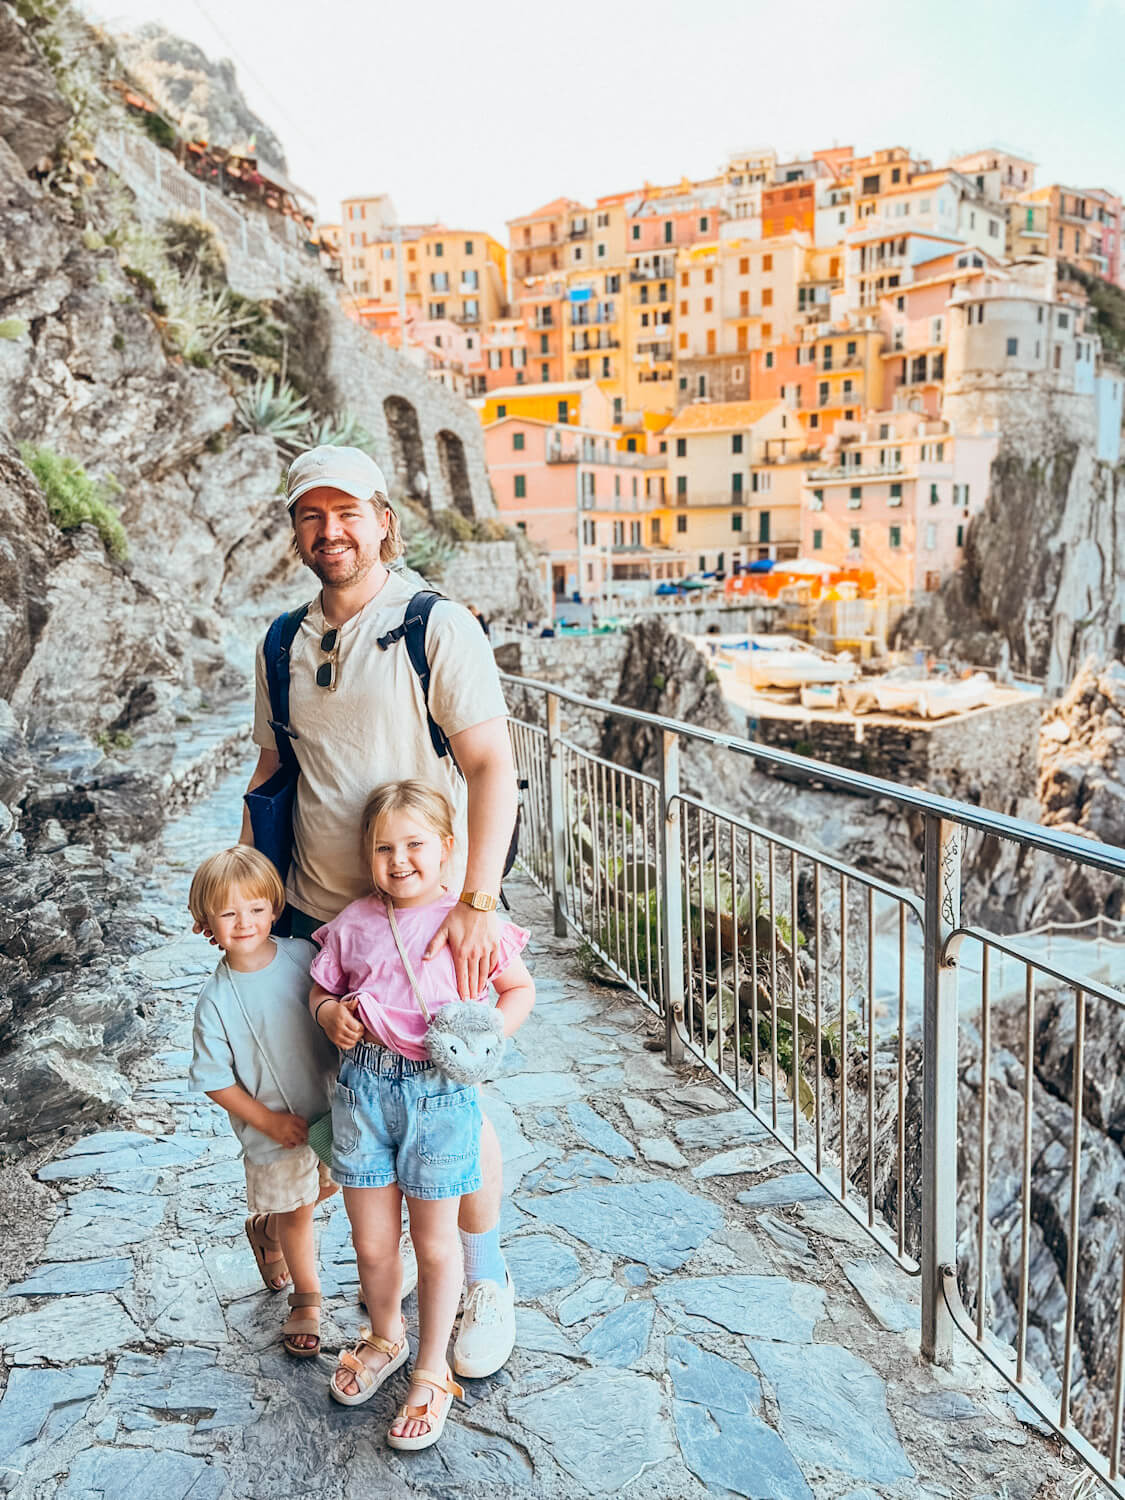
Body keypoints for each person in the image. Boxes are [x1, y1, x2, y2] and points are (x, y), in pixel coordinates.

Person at [240, 445, 521, 1378]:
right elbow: (272, 776)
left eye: (347, 513)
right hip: (324, 926)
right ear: (296, 534)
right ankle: (394, 1282)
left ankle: (482, 1279)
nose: (331, 532)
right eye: (312, 517)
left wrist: (477, 903)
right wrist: (248, 891)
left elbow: (490, 768)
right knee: (349, 1109)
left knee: (452, 1102)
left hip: (436, 918)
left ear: (383, 519)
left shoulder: (430, 625)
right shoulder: (281, 641)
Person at [310, 781, 534, 1449]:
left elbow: (517, 988)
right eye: (383, 847)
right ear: (367, 855)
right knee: (374, 1244)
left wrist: (488, 1037)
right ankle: (385, 1336)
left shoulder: (467, 923)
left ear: (446, 848)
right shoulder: (352, 923)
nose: (399, 859)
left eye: (414, 845)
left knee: (437, 1248)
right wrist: (330, 1015)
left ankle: (433, 1369)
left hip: (440, 1098)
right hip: (363, 1096)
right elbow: (322, 987)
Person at [187, 846, 338, 1357]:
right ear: (205, 923)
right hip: (271, 1129)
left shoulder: (302, 956)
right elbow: (214, 1080)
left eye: (255, 908)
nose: (245, 921)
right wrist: (268, 1123)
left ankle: (264, 1230)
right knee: (298, 1212)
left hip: (325, 1112)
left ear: (275, 907)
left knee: (324, 1191)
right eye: (228, 913)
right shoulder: (217, 1000)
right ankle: (307, 1298)